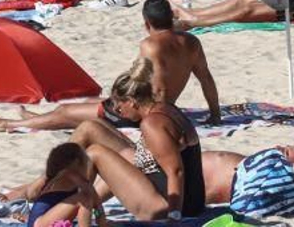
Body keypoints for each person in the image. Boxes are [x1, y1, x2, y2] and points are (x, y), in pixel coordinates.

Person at [60, 65, 207, 221]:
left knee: (94, 154)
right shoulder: (167, 109)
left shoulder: (152, 124)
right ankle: (61, 200)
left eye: (118, 106)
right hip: (190, 200)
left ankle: (82, 219)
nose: (117, 111)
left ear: (131, 101)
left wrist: (174, 216)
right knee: (91, 127)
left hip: (166, 205)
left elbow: (176, 171)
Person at [135, 0, 220, 122]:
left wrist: (159, 120)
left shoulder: (150, 45)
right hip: (165, 108)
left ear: (147, 24)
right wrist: (215, 114)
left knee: (98, 107)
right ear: (172, 17)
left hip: (146, 112)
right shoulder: (192, 42)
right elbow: (206, 79)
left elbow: (159, 89)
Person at [20, 143, 103, 227]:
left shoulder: (57, 178)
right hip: (38, 223)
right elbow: (93, 200)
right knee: (84, 199)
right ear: (77, 164)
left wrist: (98, 213)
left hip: (40, 221)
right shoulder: (71, 176)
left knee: (86, 198)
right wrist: (100, 217)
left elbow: (97, 204)